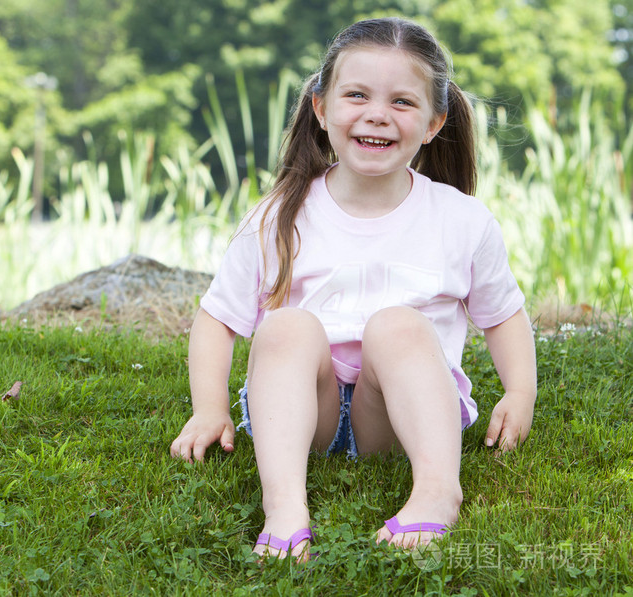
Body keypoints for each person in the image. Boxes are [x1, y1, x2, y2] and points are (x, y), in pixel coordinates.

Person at [170, 16, 537, 562]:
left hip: (395, 413)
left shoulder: (460, 220)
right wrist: (209, 408)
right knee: (287, 326)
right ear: (321, 108)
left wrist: (520, 392)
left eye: (402, 102)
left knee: (397, 326)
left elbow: (504, 315)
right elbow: (218, 318)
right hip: (301, 413)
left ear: (435, 123)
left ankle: (437, 491)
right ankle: (285, 504)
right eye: (357, 95)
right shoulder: (280, 215)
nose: (377, 115)